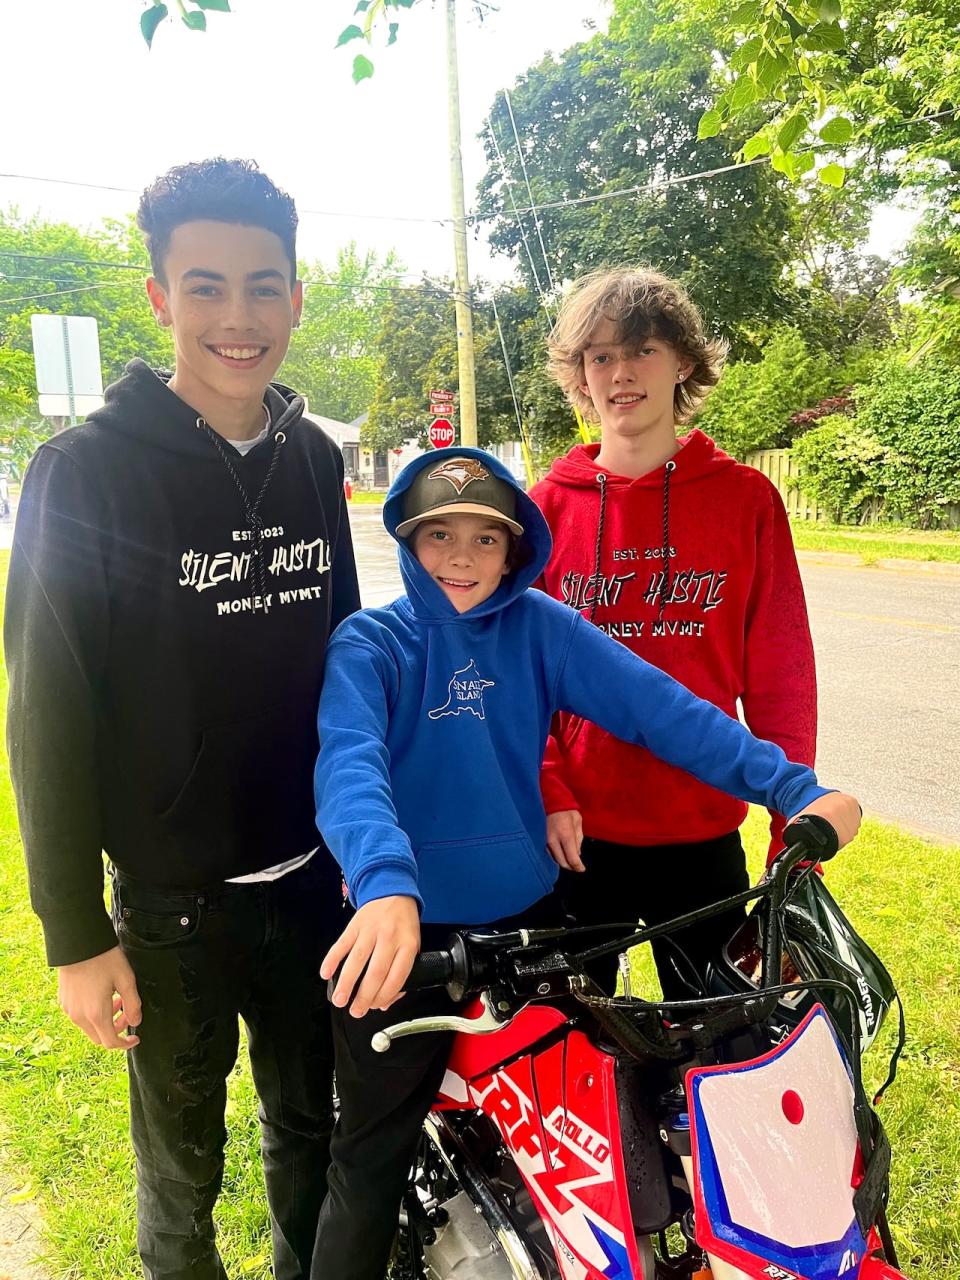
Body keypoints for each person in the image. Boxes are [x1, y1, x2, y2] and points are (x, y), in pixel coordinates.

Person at [308, 447, 859, 1280]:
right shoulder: (373, 642)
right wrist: (385, 883)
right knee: (370, 1150)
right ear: (407, 540)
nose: (462, 557)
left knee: (597, 1138)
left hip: (532, 923)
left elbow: (666, 712)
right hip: (406, 935)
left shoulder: (541, 628)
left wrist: (791, 786)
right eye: (439, 535)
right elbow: (349, 767)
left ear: (517, 546)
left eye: (486, 539)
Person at [4, 158, 360, 1280]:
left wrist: (375, 844)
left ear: (299, 295)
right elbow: (46, 714)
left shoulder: (313, 456)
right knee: (181, 1172)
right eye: (205, 286)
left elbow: (352, 660)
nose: (239, 318)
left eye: (265, 285)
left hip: (314, 883)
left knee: (313, 1129)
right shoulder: (85, 472)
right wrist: (75, 933)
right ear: (158, 295)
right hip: (172, 909)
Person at [530, 266, 818, 996]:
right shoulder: (544, 511)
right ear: (580, 374)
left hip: (701, 836)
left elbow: (781, 674)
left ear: (683, 360)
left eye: (642, 350)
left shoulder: (745, 500)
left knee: (718, 1049)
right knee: (568, 1055)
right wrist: (550, 785)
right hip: (575, 838)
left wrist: (795, 821)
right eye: (599, 356)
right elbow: (516, 677)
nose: (620, 374)